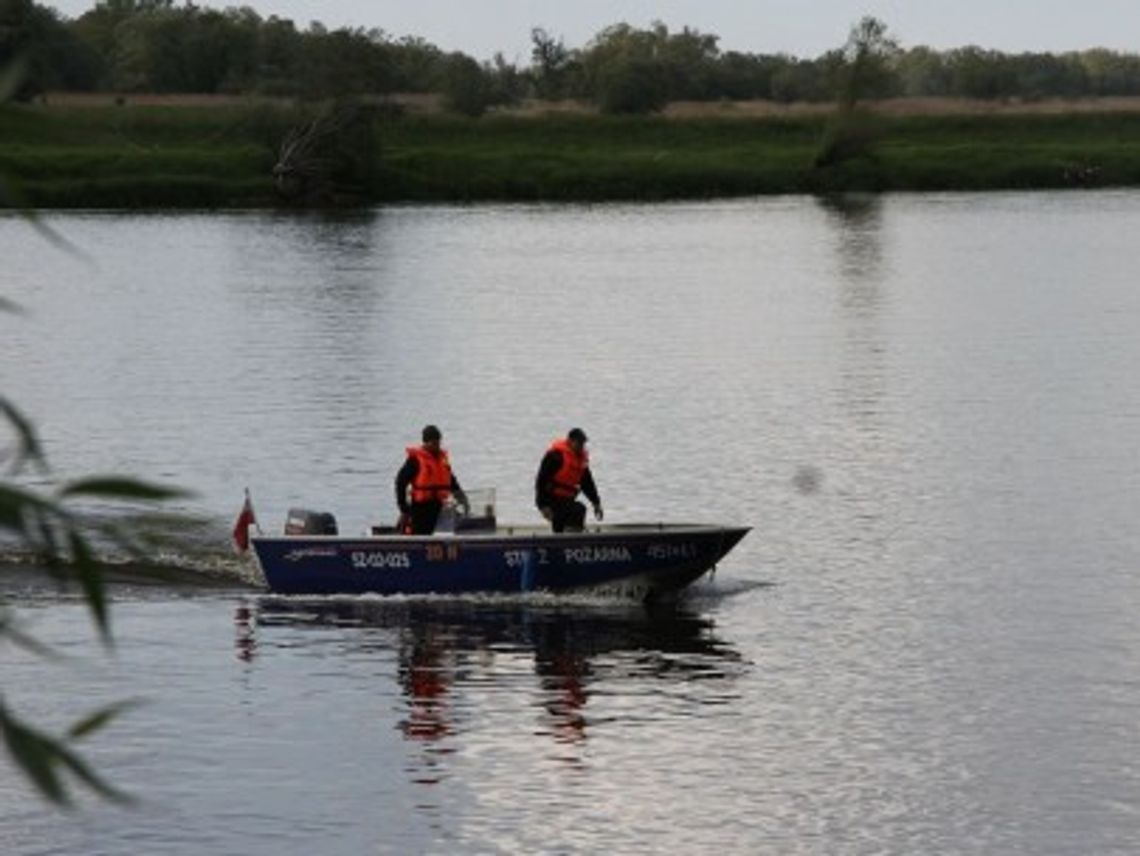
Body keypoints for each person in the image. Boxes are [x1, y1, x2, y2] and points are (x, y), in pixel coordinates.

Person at [395, 425, 468, 535]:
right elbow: (400, 482)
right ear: (426, 443)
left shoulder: (442, 460)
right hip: (421, 509)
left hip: (439, 506)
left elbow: (452, 481)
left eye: (438, 442)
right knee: (420, 533)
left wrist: (462, 499)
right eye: (434, 443)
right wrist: (403, 507)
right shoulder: (415, 460)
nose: (437, 446)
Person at [535, 428, 603, 533]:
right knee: (572, 510)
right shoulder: (555, 456)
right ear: (570, 441)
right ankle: (562, 541)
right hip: (550, 499)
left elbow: (587, 483)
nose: (581, 446)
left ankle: (571, 539)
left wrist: (596, 503)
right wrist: (542, 505)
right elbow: (541, 480)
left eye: (583, 443)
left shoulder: (581, 461)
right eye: (579, 443)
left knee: (578, 509)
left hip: (566, 500)